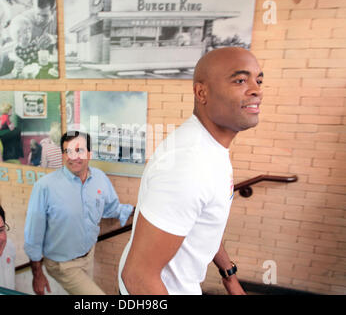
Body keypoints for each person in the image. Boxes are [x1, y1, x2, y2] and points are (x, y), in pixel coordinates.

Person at [119, 47, 264, 295]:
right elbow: (137, 277)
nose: (256, 90)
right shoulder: (189, 164)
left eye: (258, 80)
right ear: (201, 92)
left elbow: (205, 222)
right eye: (240, 80)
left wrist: (229, 275)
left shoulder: (210, 149)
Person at [24, 131, 134, 295]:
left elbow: (111, 208)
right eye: (68, 151)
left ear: (89, 153)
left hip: (88, 256)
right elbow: (33, 234)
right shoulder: (44, 187)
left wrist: (136, 212)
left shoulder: (100, 178)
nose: (73, 157)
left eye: (79, 150)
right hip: (62, 264)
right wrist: (37, 274)